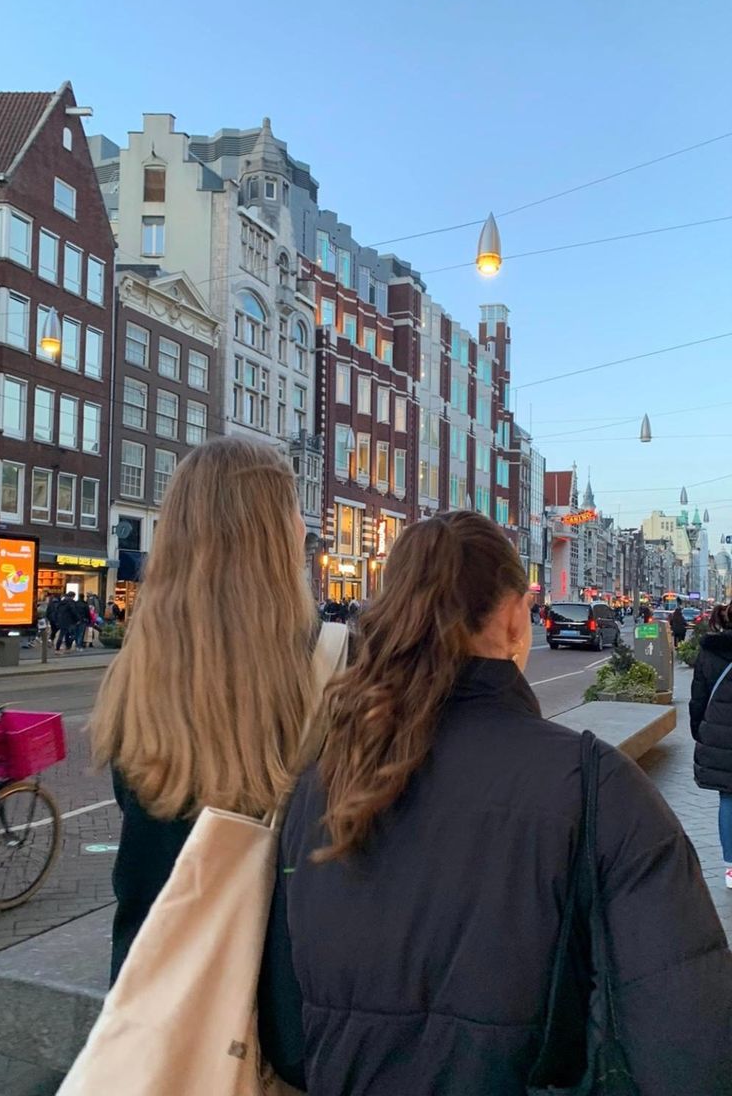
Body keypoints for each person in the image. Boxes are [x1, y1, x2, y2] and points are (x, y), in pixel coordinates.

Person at [259, 511, 732, 1095]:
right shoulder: (596, 785)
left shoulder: (322, 784)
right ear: (513, 619)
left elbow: (287, 1035)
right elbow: (688, 1037)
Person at [90, 437, 326, 985]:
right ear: (275, 534)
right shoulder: (333, 664)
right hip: (279, 994)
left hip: (155, 986)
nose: (302, 528)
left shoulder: (135, 675)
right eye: (293, 511)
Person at [689, 601, 732, 888]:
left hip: (719, 737)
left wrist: (700, 732)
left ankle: (731, 868)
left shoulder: (709, 649)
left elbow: (698, 699)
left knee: (728, 800)